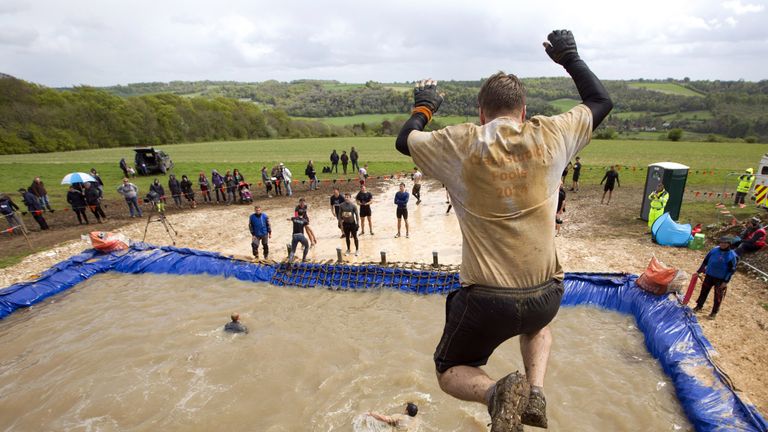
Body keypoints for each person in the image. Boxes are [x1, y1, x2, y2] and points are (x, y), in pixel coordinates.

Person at [394, 30, 612, 430]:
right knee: (537, 324)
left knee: (449, 369)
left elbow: (404, 140)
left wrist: (424, 108)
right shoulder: (554, 134)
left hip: (486, 301)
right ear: (523, 110)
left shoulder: (461, 143)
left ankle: (497, 394)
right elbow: (601, 101)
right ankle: (536, 392)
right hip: (547, 292)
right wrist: (570, 58)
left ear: (481, 113)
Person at [693, 236, 738, 320]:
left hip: (720, 279)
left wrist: (725, 281)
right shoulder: (714, 250)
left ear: (729, 244)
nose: (722, 244)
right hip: (709, 276)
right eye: (721, 242)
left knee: (718, 296)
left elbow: (732, 270)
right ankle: (699, 306)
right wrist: (699, 271)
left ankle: (714, 312)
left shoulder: (732, 255)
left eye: (725, 243)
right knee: (704, 291)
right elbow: (705, 261)